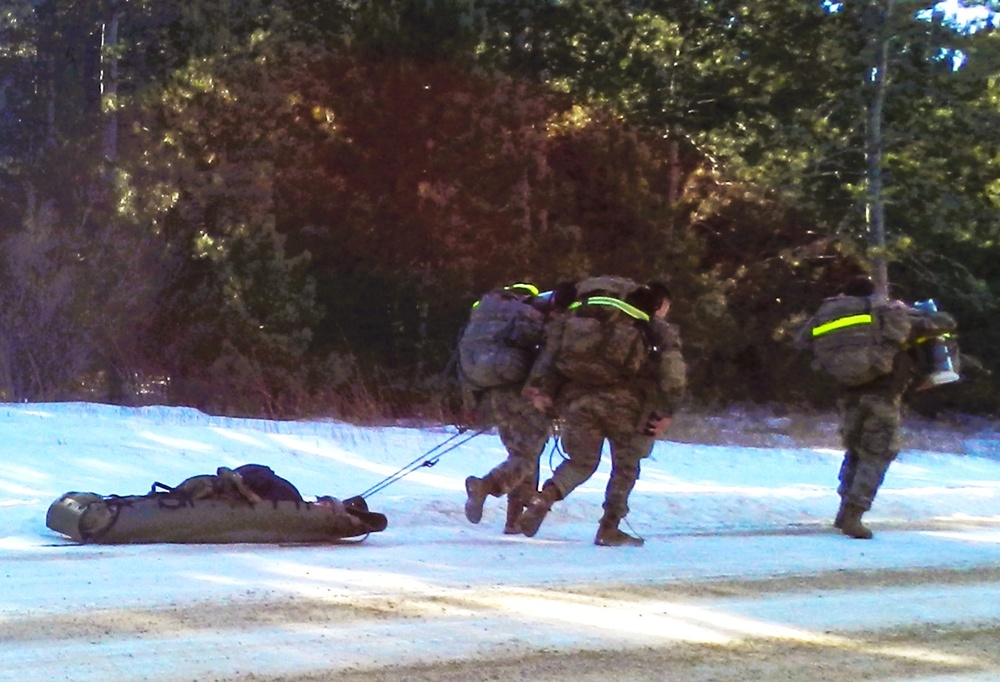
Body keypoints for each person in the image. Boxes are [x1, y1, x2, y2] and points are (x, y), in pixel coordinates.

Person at [519, 280, 687, 546]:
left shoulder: (579, 318)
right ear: (661, 304)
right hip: (628, 406)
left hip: (578, 400)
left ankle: (544, 497)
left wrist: (541, 390)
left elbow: (549, 355)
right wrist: (667, 410)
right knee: (626, 466)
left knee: (581, 461)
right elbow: (673, 373)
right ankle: (608, 528)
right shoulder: (652, 326)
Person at [798, 275, 957, 539]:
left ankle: (843, 510)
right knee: (877, 453)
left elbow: (802, 341)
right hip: (882, 395)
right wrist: (909, 311)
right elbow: (945, 323)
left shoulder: (827, 316)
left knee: (855, 451)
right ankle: (854, 514)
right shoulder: (886, 316)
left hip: (848, 395)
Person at [460, 281, 577, 534]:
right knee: (526, 456)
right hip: (522, 392)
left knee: (520, 453)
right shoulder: (543, 321)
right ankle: (484, 486)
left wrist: (473, 401)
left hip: (494, 389)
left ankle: (514, 521)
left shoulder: (500, 320)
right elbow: (546, 359)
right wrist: (541, 392)